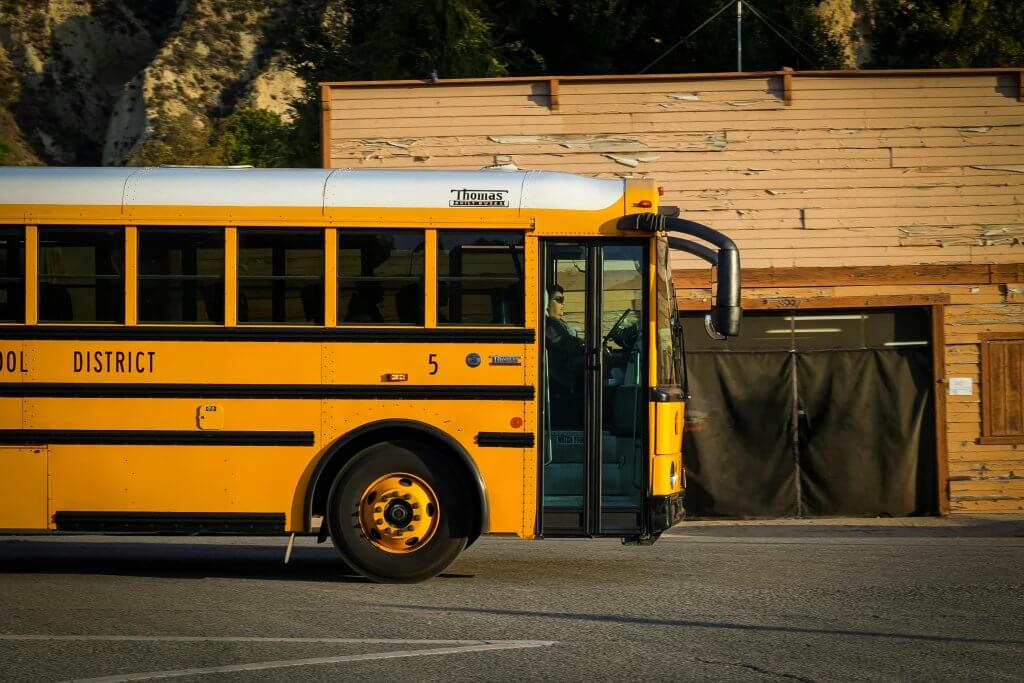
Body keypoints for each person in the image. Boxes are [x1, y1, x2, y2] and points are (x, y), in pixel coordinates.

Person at [545, 284, 585, 428]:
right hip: (560, 384)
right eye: (559, 300)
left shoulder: (559, 323)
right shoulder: (549, 325)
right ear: (546, 302)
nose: (563, 304)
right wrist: (582, 345)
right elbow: (566, 344)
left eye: (563, 300)